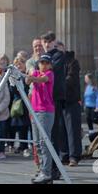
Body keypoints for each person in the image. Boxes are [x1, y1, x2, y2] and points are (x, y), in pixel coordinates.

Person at [40, 31, 66, 180]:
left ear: (54, 42)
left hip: (54, 99)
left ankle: (55, 168)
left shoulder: (58, 55)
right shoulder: (44, 57)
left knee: (54, 135)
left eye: (49, 41)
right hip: (43, 100)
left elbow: (48, 70)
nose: (47, 44)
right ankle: (46, 167)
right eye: (45, 41)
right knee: (45, 136)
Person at [26, 54, 55, 184]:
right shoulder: (36, 72)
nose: (43, 65)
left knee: (44, 142)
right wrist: (30, 75)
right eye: (41, 62)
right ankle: (41, 169)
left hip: (45, 111)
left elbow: (41, 80)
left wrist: (32, 77)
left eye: (45, 62)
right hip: (34, 110)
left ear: (49, 65)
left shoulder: (49, 74)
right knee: (37, 142)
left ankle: (46, 172)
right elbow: (28, 81)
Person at [56, 41, 82, 167]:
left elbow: (71, 78)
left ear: (64, 48)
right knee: (61, 130)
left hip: (71, 100)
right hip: (59, 101)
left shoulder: (72, 61)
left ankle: (74, 156)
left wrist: (56, 84)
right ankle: (64, 155)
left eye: (59, 48)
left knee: (73, 130)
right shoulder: (53, 62)